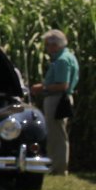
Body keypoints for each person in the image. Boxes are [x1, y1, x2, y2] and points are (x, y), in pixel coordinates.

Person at [30, 29, 79, 174]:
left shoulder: (62, 60)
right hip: (60, 99)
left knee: (56, 134)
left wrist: (42, 87)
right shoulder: (68, 56)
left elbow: (63, 85)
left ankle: (58, 167)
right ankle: (54, 164)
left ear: (55, 45)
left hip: (57, 99)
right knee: (55, 133)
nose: (46, 48)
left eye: (47, 45)